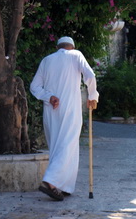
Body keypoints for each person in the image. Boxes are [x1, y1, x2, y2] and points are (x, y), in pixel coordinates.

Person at [30, 36, 99, 201]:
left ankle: (64, 186)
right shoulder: (76, 55)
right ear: (72, 47)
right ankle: (51, 181)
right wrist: (92, 95)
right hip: (70, 108)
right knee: (68, 145)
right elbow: (90, 75)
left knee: (57, 146)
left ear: (57, 47)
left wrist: (48, 96)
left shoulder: (47, 60)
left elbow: (34, 86)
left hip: (51, 109)